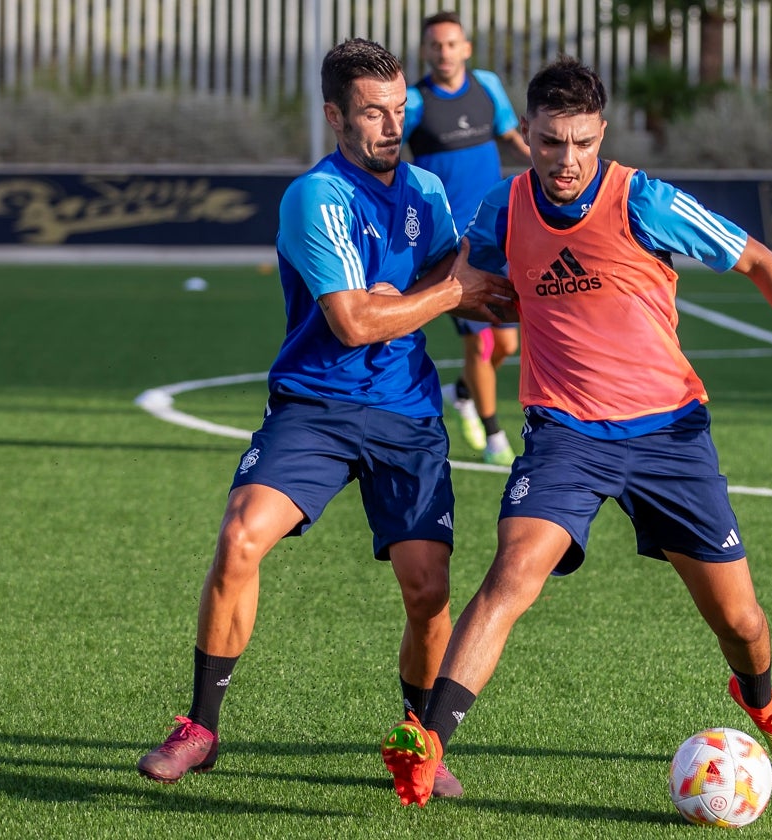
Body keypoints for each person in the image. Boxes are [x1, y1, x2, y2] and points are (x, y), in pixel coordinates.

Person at [381, 56, 772, 806]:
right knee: (513, 574)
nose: (565, 160)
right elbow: (465, 292)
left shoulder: (647, 200)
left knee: (740, 619)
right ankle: (428, 738)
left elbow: (759, 261)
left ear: (600, 133)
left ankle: (764, 701)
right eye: (548, 143)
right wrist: (455, 301)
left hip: (669, 434)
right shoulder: (503, 209)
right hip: (565, 433)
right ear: (527, 137)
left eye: (579, 142)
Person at [137, 38, 510, 799]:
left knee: (426, 587)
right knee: (242, 535)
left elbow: (462, 274)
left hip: (406, 413)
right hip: (315, 405)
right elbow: (352, 321)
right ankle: (201, 728)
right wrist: (450, 294)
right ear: (335, 113)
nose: (390, 126)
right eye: (373, 112)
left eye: (399, 111)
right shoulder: (316, 196)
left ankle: (419, 741)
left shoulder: (427, 194)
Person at [403, 10, 531, 466]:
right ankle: (495, 435)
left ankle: (463, 391)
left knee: (509, 342)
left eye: (451, 43)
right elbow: (387, 152)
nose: (444, 52)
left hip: (496, 229)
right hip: (451, 243)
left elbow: (509, 133)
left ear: (466, 48)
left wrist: (541, 158)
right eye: (435, 45)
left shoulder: (487, 86)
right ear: (425, 51)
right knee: (481, 341)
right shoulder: (414, 102)